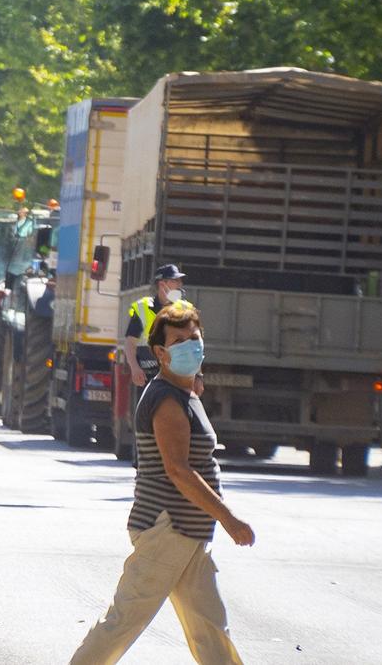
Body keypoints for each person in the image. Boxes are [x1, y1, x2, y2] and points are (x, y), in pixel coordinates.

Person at [70, 300, 254, 665]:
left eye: (194, 337)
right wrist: (228, 517)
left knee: (211, 630)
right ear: (160, 352)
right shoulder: (167, 398)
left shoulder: (184, 392)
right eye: (179, 340)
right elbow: (178, 470)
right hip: (167, 528)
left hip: (188, 533)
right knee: (123, 622)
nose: (190, 345)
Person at [124, 265, 187, 394]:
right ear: (162, 284)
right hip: (149, 376)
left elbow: (194, 344)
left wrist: (196, 375)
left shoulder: (185, 309)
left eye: (179, 281)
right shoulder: (143, 308)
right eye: (174, 281)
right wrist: (135, 368)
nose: (179, 285)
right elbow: (130, 342)